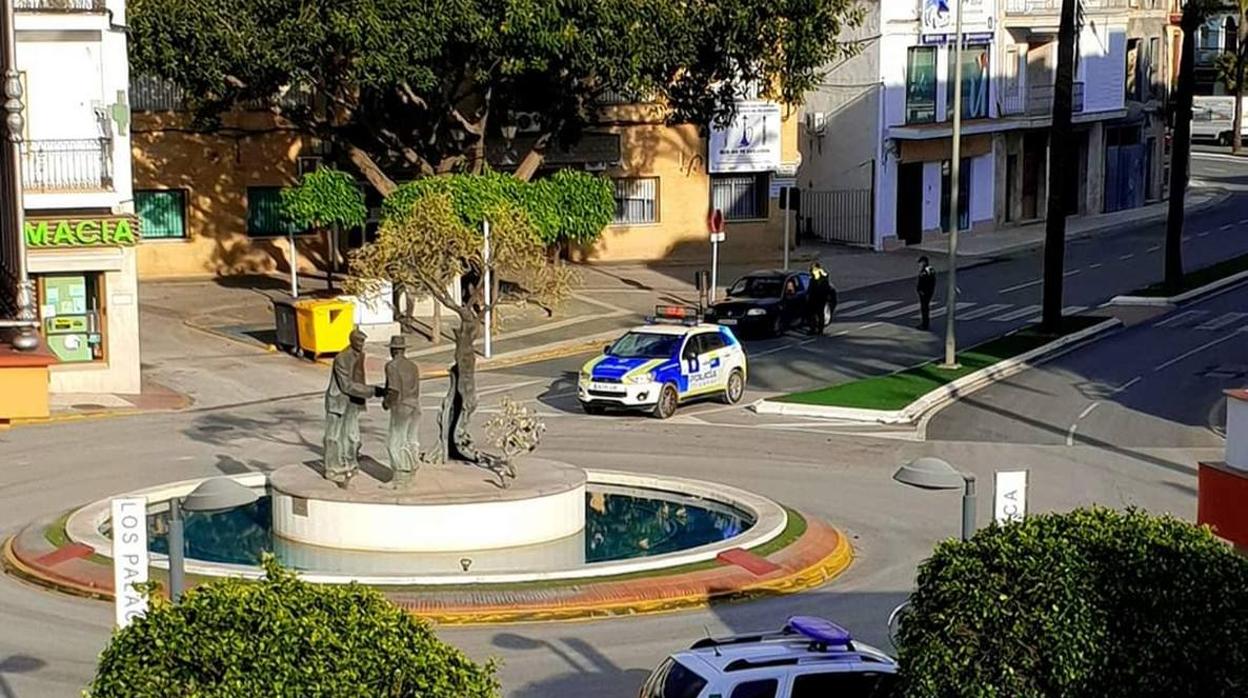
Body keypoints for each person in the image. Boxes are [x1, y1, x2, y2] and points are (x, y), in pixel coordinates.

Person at [323, 329, 375, 487]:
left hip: (352, 400)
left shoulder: (360, 355)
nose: (361, 345)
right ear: (352, 340)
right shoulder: (342, 358)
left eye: (363, 342)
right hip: (338, 400)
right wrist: (371, 391)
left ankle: (349, 463)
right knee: (334, 436)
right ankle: (332, 469)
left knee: (352, 436)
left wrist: (364, 395)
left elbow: (359, 377)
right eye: (359, 341)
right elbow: (346, 386)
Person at [383, 334, 421, 485]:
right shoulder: (413, 366)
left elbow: (393, 390)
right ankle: (411, 470)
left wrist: (386, 403)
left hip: (402, 406)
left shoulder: (392, 366)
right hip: (415, 405)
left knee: (395, 441)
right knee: (411, 439)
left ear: (393, 351)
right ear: (403, 350)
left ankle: (400, 477)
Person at [807, 261, 832, 335]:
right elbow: (827, 287)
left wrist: (809, 295)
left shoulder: (815, 276)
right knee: (820, 314)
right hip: (822, 298)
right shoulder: (824, 275)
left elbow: (811, 288)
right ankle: (820, 330)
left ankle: (813, 329)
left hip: (815, 298)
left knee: (812, 314)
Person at [916, 256, 936, 331]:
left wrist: (922, 291)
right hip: (928, 292)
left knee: (924, 308)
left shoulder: (925, 271)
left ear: (924, 262)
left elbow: (924, 282)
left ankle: (925, 325)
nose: (919, 264)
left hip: (925, 293)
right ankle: (925, 323)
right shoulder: (930, 269)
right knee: (925, 308)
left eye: (920, 263)